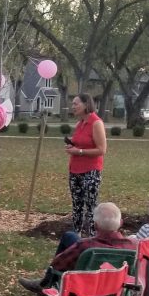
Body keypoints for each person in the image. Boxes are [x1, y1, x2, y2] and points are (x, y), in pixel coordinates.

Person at [19, 202, 136, 296]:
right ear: (121, 223)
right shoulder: (132, 247)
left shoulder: (86, 246)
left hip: (86, 290)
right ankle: (45, 285)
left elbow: (57, 265)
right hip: (116, 291)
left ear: (95, 225)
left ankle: (45, 285)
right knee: (70, 237)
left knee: (69, 237)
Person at [65, 94, 107, 237]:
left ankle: (93, 237)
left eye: (76, 103)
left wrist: (80, 151)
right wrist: (72, 145)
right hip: (75, 170)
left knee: (90, 206)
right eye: (73, 104)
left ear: (85, 104)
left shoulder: (96, 123)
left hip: (90, 171)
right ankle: (75, 236)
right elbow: (80, 142)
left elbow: (102, 150)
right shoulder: (79, 123)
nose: (73, 106)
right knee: (76, 205)